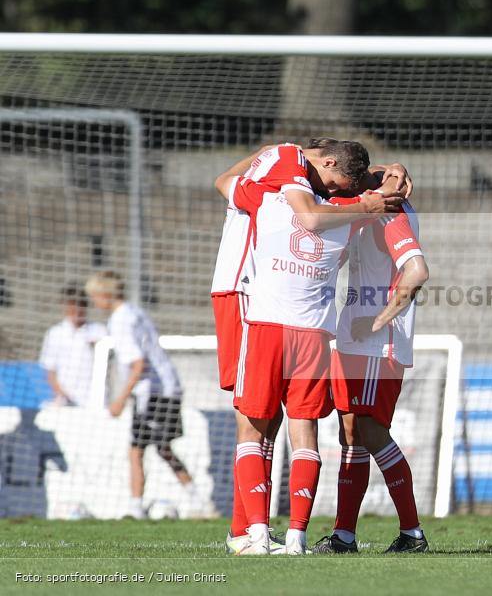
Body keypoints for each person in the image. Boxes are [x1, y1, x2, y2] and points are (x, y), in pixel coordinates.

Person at [211, 143, 412, 555]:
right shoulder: (349, 217)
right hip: (313, 331)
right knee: (304, 431)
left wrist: (267, 155)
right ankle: (290, 536)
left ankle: (251, 534)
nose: (334, 189)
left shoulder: (271, 198)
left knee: (253, 426)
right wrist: (384, 181)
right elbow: (350, 202)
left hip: (261, 315)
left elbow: (225, 183)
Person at [314, 184, 429, 554]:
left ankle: (412, 533)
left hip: (378, 346)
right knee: (350, 432)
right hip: (352, 340)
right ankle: (344, 536)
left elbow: (417, 272)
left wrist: (379, 321)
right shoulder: (362, 213)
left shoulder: (391, 215)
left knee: (371, 430)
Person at [85, 271, 205, 520]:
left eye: (95, 297)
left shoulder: (121, 321)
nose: (94, 303)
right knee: (162, 448)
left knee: (136, 451)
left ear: (105, 295)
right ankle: (197, 499)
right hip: (166, 387)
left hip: (154, 392)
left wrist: (120, 399)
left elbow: (138, 363)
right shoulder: (134, 312)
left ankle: (136, 507)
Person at [39, 283, 107, 407]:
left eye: (80, 304)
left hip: (96, 402)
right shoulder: (54, 334)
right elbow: (50, 372)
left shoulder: (100, 331)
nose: (77, 310)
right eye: (72, 305)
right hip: (66, 404)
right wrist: (63, 396)